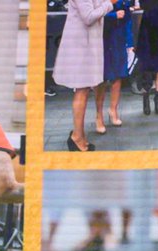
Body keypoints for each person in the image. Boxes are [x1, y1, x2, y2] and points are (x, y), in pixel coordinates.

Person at [53, 0, 116, 151]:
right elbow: (88, 17)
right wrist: (110, 3)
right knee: (82, 90)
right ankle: (76, 137)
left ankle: (78, 134)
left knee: (84, 90)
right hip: (80, 46)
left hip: (86, 45)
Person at [93, 0, 132, 134]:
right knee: (101, 78)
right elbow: (91, 14)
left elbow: (127, 18)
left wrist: (130, 41)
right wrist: (113, 15)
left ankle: (113, 110)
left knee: (118, 75)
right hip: (102, 37)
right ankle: (99, 116)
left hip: (119, 37)